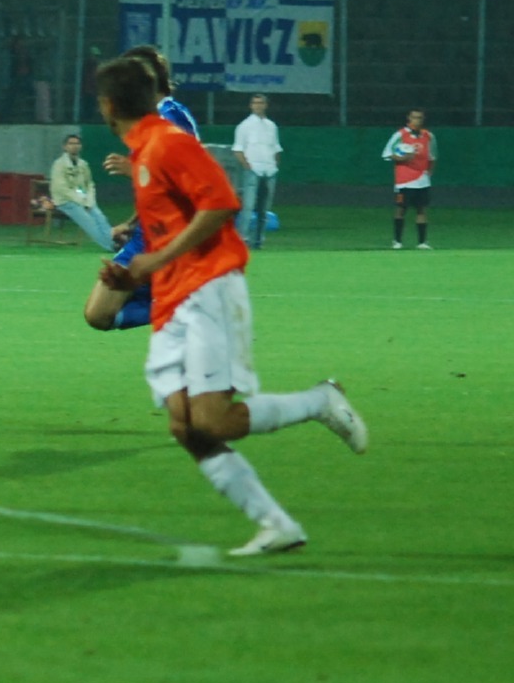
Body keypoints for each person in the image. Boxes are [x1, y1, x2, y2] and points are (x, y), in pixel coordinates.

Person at [93, 56, 366, 556]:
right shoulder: (145, 149)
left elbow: (221, 202)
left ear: (108, 105)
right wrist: (133, 273)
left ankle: (320, 401)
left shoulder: (167, 142)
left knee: (213, 422)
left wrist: (155, 261)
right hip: (174, 298)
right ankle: (276, 524)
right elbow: (169, 225)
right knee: (184, 426)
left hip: (209, 288)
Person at [84, 45, 200, 332]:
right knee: (98, 315)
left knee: (102, 313)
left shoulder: (172, 117)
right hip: (148, 233)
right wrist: (132, 222)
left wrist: (133, 169)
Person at [47, 133, 116, 252]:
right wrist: (81, 201)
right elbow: (61, 188)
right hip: (66, 201)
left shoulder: (83, 164)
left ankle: (116, 242)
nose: (74, 146)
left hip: (85, 200)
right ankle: (111, 247)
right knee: (89, 221)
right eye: (71, 144)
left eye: (77, 143)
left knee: (100, 218)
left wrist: (89, 200)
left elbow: (90, 184)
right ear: (65, 146)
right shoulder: (59, 164)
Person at [231, 94, 282, 249]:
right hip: (253, 170)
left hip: (269, 170)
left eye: (261, 103)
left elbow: (276, 148)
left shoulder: (271, 126)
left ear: (266, 105)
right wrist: (248, 166)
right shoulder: (244, 126)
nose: (258, 105)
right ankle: (243, 239)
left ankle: (258, 240)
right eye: (255, 103)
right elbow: (238, 149)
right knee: (248, 207)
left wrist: (275, 165)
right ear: (251, 105)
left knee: (264, 209)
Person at [383, 109, 435, 250]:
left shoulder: (428, 136)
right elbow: (386, 153)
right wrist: (402, 158)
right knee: (401, 209)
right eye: (414, 117)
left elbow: (432, 156)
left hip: (422, 180)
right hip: (404, 181)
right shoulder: (400, 135)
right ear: (409, 118)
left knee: (421, 209)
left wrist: (429, 172)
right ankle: (397, 241)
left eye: (420, 117)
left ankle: (422, 242)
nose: (417, 120)